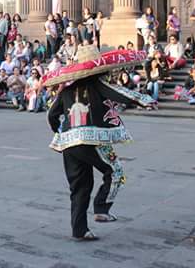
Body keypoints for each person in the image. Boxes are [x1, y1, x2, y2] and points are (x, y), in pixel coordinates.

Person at [45, 45, 155, 241]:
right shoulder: (98, 83)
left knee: (79, 187)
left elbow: (52, 115)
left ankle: (79, 230)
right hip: (92, 141)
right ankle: (102, 208)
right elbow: (120, 93)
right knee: (116, 172)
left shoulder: (66, 90)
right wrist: (145, 100)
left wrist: (62, 131)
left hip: (68, 143)